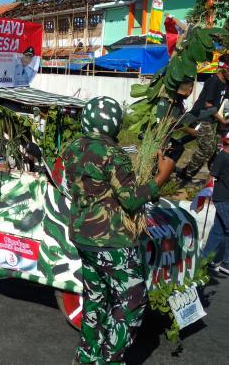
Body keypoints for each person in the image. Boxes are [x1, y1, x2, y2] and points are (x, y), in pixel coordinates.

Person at [61, 96, 174, 365]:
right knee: (132, 302)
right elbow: (131, 198)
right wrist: (162, 176)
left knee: (96, 298)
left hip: (83, 238)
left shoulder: (71, 148)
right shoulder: (113, 155)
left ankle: (86, 357)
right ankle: (111, 360)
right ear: (114, 124)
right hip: (112, 242)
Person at [178, 53, 229, 182]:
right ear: (221, 67)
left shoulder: (227, 83)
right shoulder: (213, 81)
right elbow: (208, 105)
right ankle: (185, 174)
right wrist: (222, 120)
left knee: (216, 148)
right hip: (201, 117)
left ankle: (215, 176)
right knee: (207, 148)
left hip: (212, 119)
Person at [200, 124, 229, 279]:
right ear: (228, 139)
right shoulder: (222, 157)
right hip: (223, 199)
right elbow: (212, 176)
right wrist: (204, 195)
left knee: (218, 232)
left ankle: (205, 260)